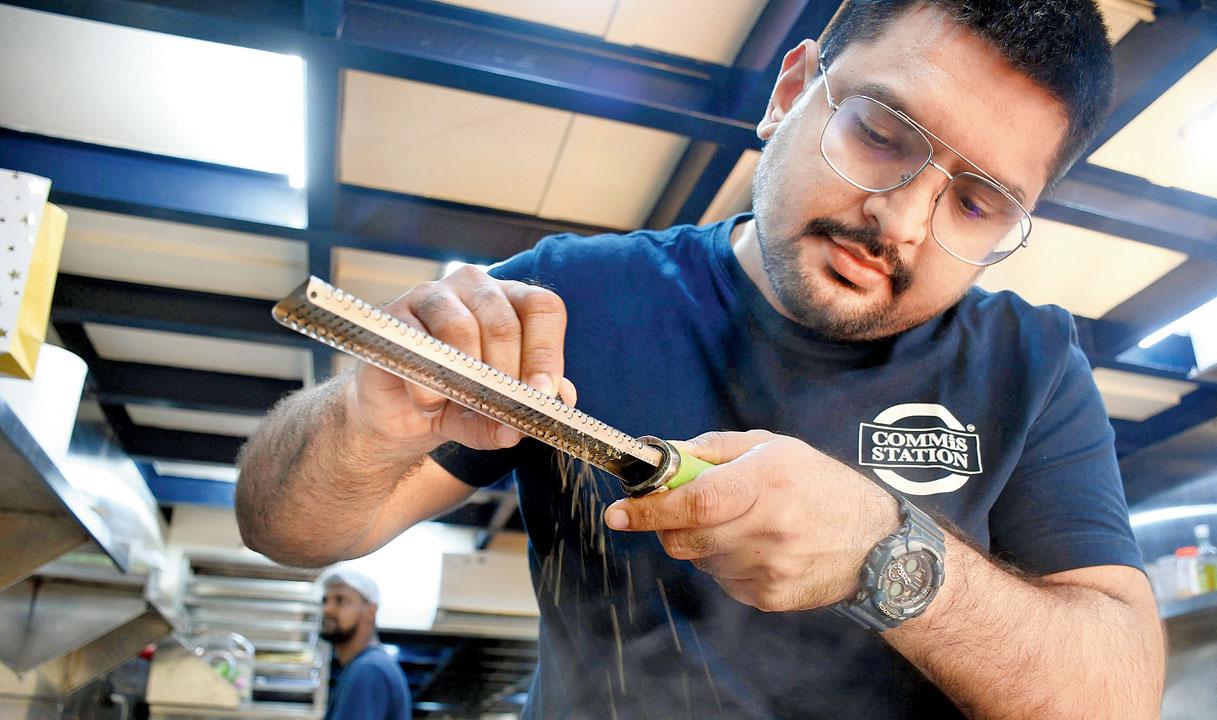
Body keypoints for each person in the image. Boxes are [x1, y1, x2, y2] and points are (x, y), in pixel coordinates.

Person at [237, 0, 1166, 716]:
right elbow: (288, 529)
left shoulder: (1031, 366)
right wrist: (364, 423)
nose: (902, 221)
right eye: (881, 134)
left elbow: (1116, 696)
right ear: (793, 92)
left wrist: (885, 555)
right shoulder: (578, 297)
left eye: (977, 205)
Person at [317, 569, 411, 720]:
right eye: (325, 600)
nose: (327, 609)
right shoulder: (367, 666)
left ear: (370, 612)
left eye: (341, 600)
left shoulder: (367, 671)